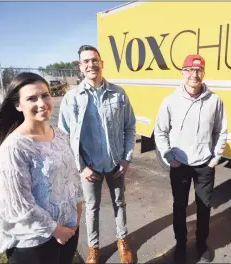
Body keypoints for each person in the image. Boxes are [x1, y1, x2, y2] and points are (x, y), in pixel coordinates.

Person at [0, 72, 83, 264]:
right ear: (18, 105)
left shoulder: (59, 134)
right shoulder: (14, 148)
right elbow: (19, 205)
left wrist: (77, 211)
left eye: (45, 95)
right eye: (32, 98)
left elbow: (71, 176)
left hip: (69, 231)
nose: (42, 103)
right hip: (35, 244)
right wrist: (56, 230)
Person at [58, 45, 136, 264]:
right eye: (86, 61)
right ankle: (94, 248)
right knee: (91, 208)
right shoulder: (72, 98)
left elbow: (129, 127)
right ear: (80, 67)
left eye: (94, 60)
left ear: (102, 63)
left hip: (115, 164)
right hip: (89, 167)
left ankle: (123, 241)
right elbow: (64, 136)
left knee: (119, 203)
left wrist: (126, 157)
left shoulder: (118, 93)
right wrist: (81, 166)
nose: (91, 64)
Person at [154, 54, 228, 263]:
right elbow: (160, 131)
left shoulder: (215, 101)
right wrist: (169, 156)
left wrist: (215, 158)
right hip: (180, 165)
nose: (194, 75)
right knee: (180, 206)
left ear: (203, 73)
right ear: (182, 73)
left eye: (198, 70)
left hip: (205, 165)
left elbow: (221, 131)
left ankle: (201, 243)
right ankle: (181, 244)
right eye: (189, 70)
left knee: (204, 207)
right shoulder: (170, 101)